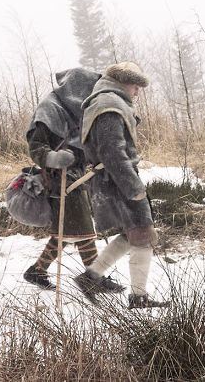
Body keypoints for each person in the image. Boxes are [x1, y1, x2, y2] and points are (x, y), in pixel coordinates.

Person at [23, 67, 125, 294]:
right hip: (58, 180)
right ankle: (93, 277)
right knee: (84, 229)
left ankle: (37, 270)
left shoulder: (75, 111)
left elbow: (79, 146)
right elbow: (37, 147)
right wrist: (55, 158)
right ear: (77, 88)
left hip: (76, 179)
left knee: (67, 231)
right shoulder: (49, 109)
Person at [75, 61, 167, 308]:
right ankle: (138, 297)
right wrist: (133, 187)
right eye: (135, 85)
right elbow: (112, 152)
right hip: (116, 180)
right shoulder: (109, 105)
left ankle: (90, 278)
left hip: (111, 179)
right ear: (122, 82)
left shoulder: (107, 102)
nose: (137, 91)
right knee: (143, 233)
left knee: (132, 233)